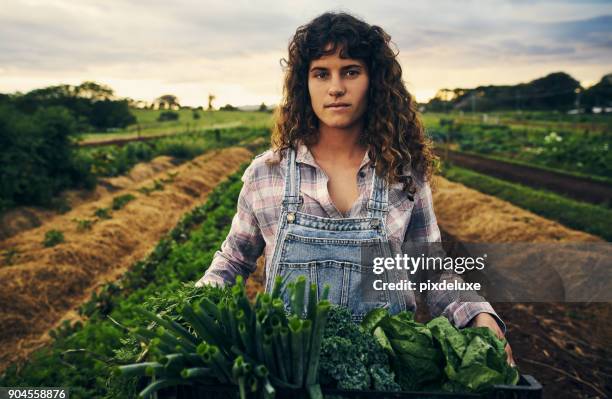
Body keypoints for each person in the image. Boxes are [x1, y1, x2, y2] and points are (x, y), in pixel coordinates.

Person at [196, 11, 515, 365]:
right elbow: (233, 261)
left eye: (350, 71)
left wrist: (478, 315)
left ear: (373, 80)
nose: (336, 87)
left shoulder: (402, 173)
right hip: (289, 377)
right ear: (305, 84)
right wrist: (192, 310)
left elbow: (430, 270)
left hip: (385, 374)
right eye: (321, 73)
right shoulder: (266, 174)